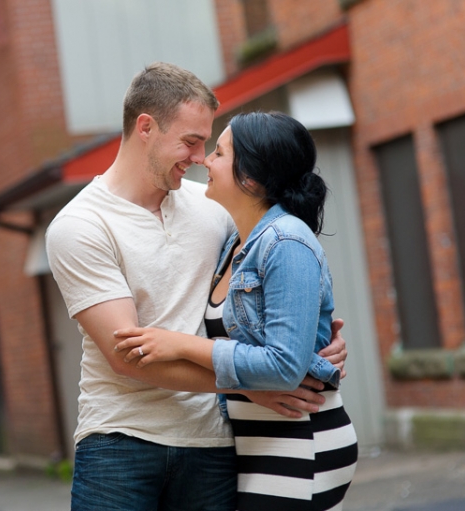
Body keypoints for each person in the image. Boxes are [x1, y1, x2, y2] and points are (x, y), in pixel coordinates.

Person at [46, 62, 347, 511]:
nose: (200, 157)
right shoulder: (81, 225)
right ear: (145, 127)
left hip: (215, 444)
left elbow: (278, 292)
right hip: (122, 440)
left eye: (208, 144)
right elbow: (128, 357)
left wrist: (318, 343)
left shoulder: (215, 210)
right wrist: (250, 386)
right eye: (190, 141)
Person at [113, 111, 359, 510]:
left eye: (220, 153)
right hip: (260, 441)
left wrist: (180, 346)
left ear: (250, 177)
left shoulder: (287, 241)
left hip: (300, 437)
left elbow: (284, 366)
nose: (205, 160)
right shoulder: (236, 245)